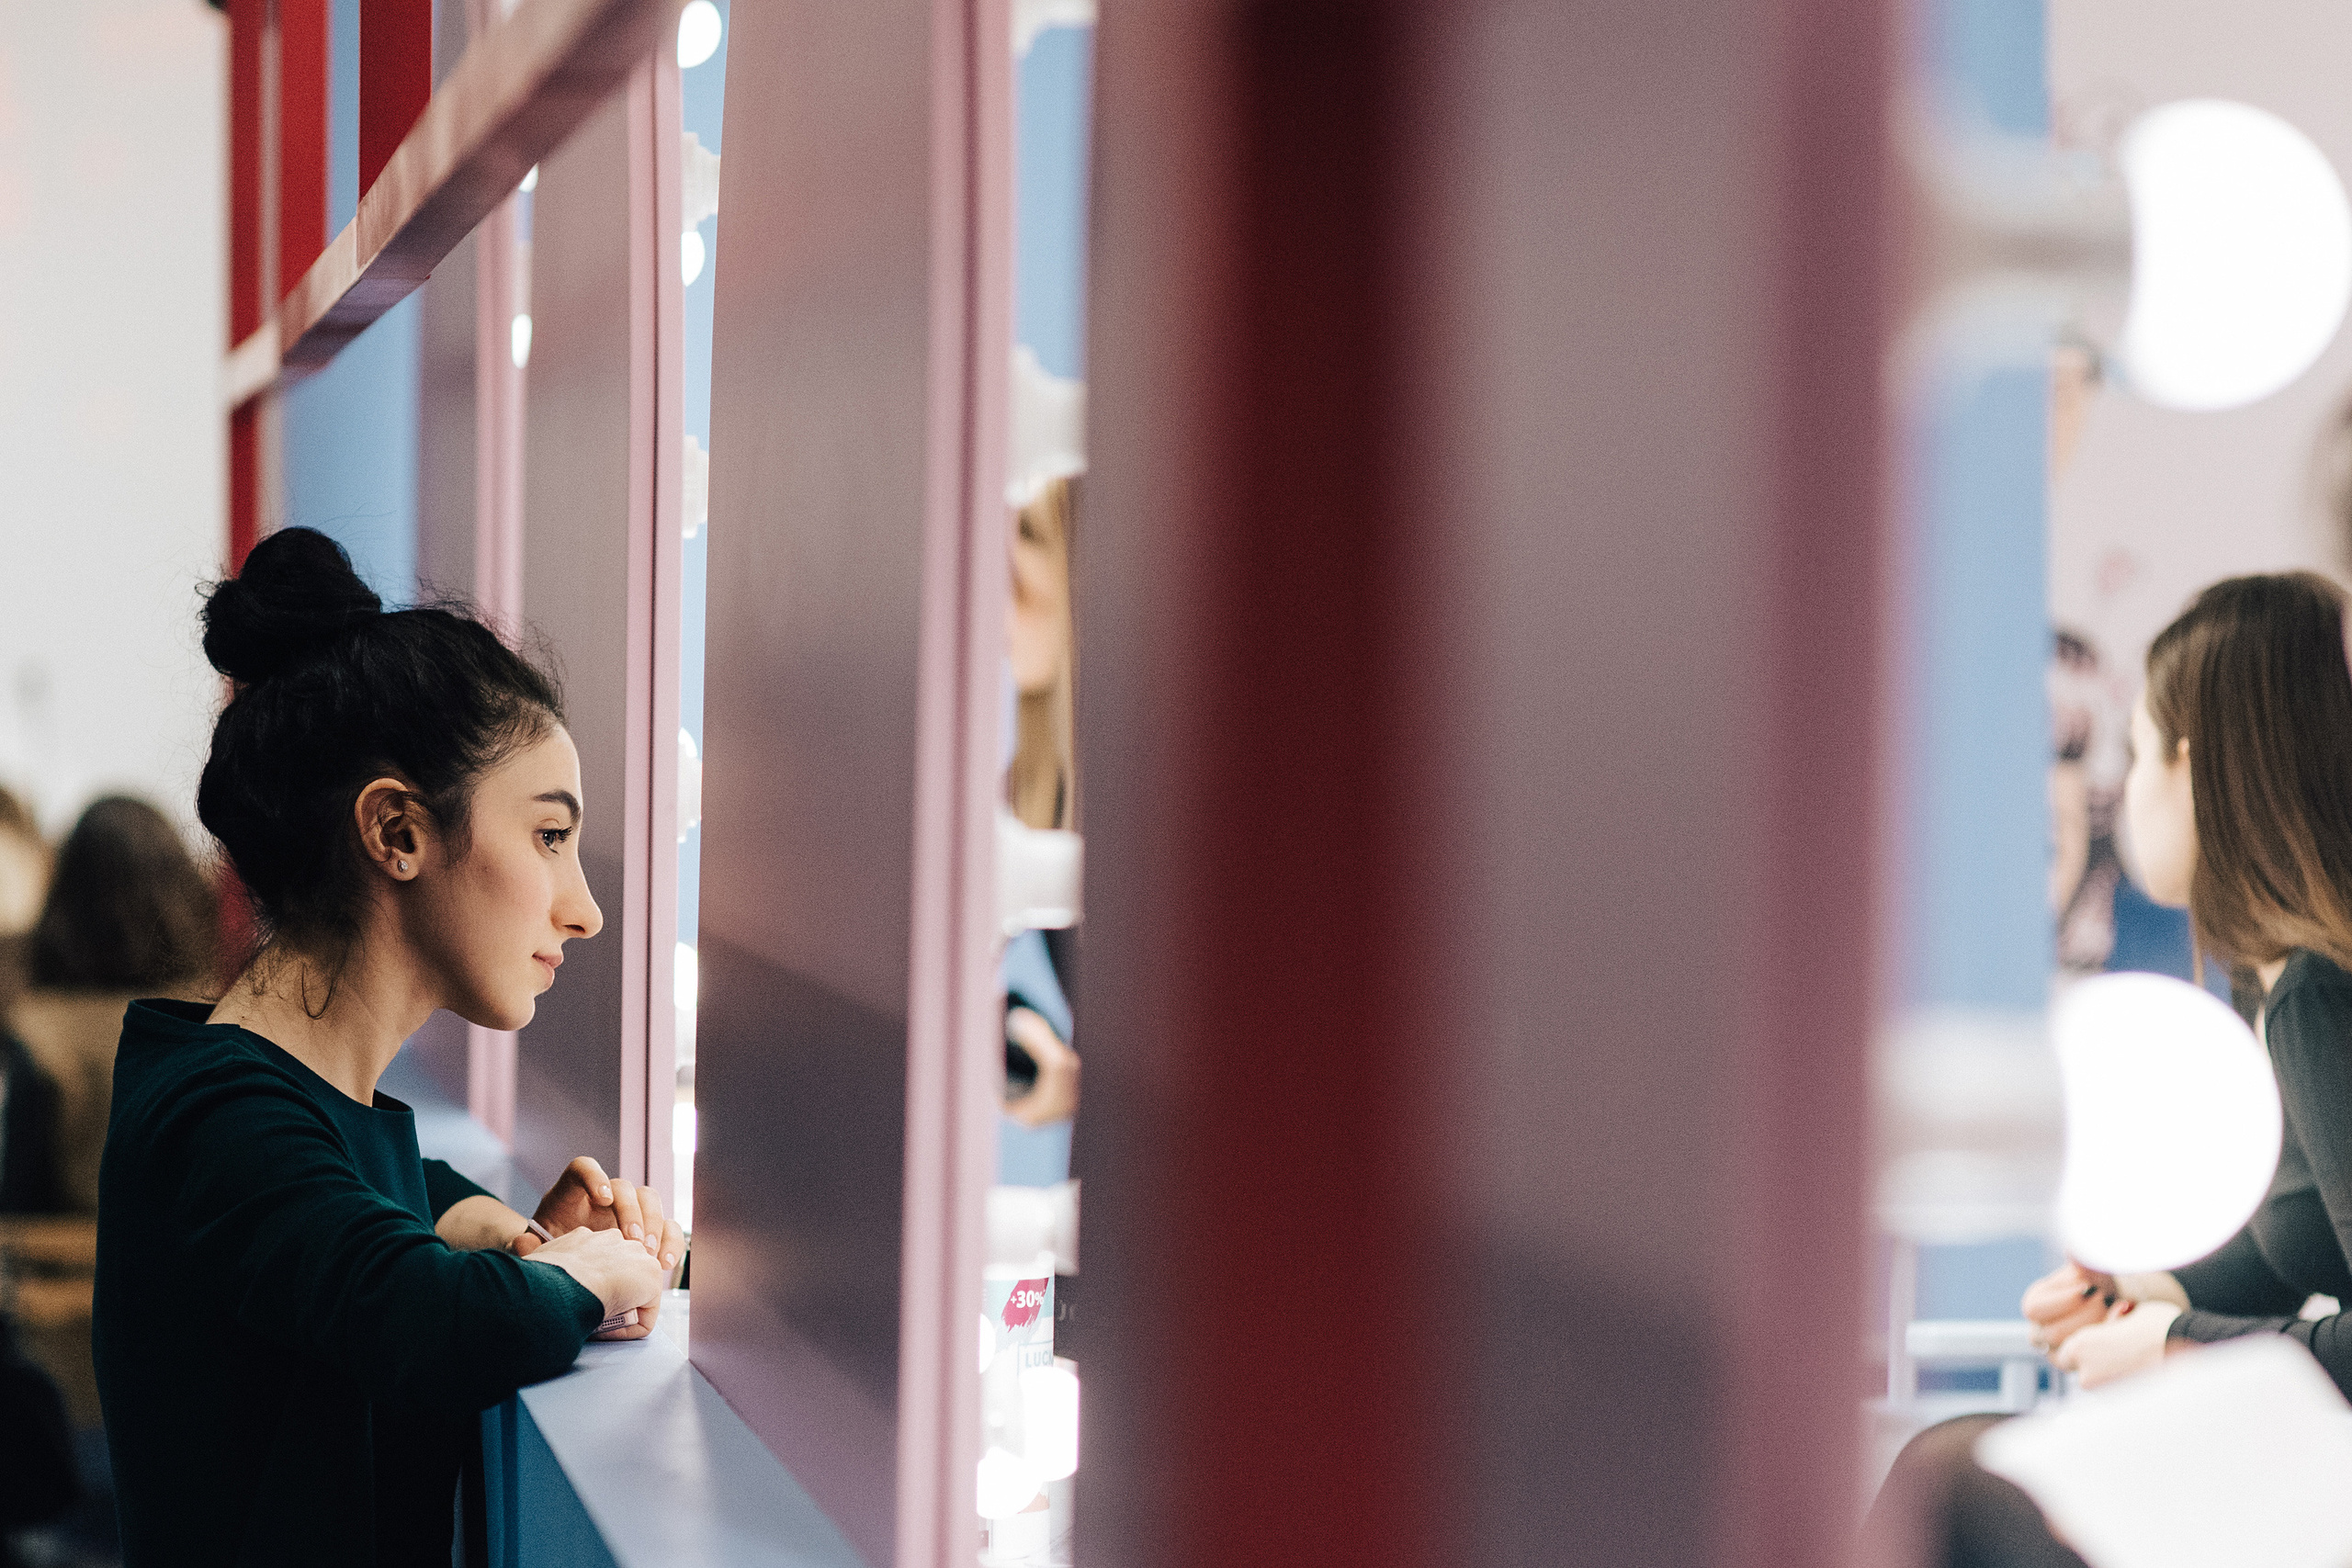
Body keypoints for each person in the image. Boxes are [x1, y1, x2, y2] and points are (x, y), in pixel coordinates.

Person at [94, 528, 684, 1566]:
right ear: (397, 832)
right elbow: (427, 1318)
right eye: (549, 837)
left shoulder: (279, 1109)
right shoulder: (219, 1116)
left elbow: (386, 1198)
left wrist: (523, 1238)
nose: (584, 909)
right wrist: (593, 1271)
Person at [1870, 572, 2352, 1563]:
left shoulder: (2314, 1000)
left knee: (1948, 1482)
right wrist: (2137, 1285)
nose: (2121, 795)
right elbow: (2292, 1243)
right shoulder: (2274, 989)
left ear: (2194, 767)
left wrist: (2172, 1344)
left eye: (2135, 755)